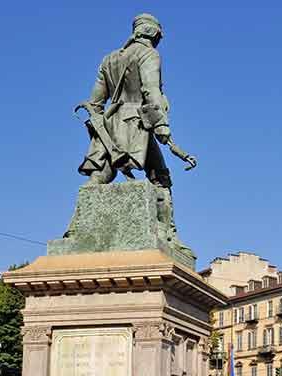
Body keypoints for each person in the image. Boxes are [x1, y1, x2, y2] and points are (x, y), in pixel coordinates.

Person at [74, 13, 197, 241]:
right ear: (153, 34)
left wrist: (100, 130)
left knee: (99, 177)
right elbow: (151, 92)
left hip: (110, 126)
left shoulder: (109, 59)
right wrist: (162, 127)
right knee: (160, 177)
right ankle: (166, 233)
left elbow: (95, 103)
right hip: (138, 124)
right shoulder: (149, 54)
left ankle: (77, 230)